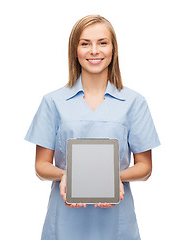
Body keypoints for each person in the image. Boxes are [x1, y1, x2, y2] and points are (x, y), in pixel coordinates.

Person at [25, 14, 160, 240]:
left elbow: (145, 167)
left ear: (113, 49)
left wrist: (114, 179)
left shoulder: (134, 102)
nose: (94, 51)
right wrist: (67, 175)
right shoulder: (53, 102)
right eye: (85, 43)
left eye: (102, 42)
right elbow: (40, 166)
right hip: (65, 222)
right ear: (74, 50)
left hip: (116, 223)